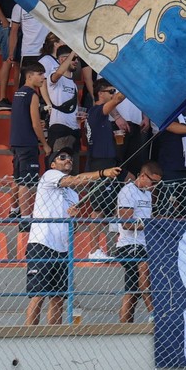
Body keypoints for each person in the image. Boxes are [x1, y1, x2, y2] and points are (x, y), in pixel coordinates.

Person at [24, 149, 121, 326]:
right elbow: (75, 180)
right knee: (38, 295)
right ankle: (29, 336)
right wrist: (102, 173)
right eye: (62, 157)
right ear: (53, 164)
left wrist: (73, 218)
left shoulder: (73, 194)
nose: (68, 159)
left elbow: (73, 228)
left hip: (63, 249)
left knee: (58, 298)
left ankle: (53, 337)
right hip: (42, 243)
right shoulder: (49, 175)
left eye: (70, 157)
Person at [83, 81, 128, 258]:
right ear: (100, 93)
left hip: (110, 161)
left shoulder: (102, 116)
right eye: (110, 91)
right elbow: (117, 99)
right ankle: (94, 250)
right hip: (100, 164)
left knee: (132, 181)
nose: (113, 93)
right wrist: (130, 85)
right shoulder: (96, 111)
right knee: (98, 208)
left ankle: (118, 225)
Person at [116, 161, 162, 323]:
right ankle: (154, 313)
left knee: (132, 291)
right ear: (142, 176)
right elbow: (126, 223)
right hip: (128, 244)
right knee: (144, 268)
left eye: (157, 183)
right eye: (153, 182)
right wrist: (151, 224)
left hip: (143, 244)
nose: (154, 186)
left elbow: (146, 220)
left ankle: (124, 327)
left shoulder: (147, 193)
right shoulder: (128, 191)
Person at [10, 62, 50, 218]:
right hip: (28, 143)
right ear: (29, 76)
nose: (43, 77)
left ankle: (14, 210)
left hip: (16, 141)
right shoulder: (32, 94)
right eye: (40, 74)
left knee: (17, 177)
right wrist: (45, 144)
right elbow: (35, 124)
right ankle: (26, 219)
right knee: (26, 181)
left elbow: (23, 118)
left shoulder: (18, 93)